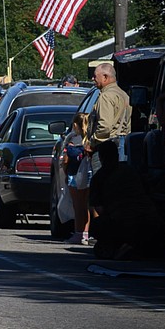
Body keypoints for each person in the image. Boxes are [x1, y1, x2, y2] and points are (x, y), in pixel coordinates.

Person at [84, 61, 131, 209]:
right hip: (122, 144)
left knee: (102, 191)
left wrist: (91, 143)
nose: (93, 79)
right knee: (119, 189)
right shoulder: (123, 95)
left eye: (95, 76)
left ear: (105, 77)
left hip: (106, 146)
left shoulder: (105, 97)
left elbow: (104, 127)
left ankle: (103, 227)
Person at [63, 111, 91, 245]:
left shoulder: (73, 139)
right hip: (88, 172)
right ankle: (86, 233)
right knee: (87, 205)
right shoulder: (90, 139)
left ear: (75, 125)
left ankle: (78, 233)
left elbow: (66, 160)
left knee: (78, 206)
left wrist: (64, 170)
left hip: (74, 174)